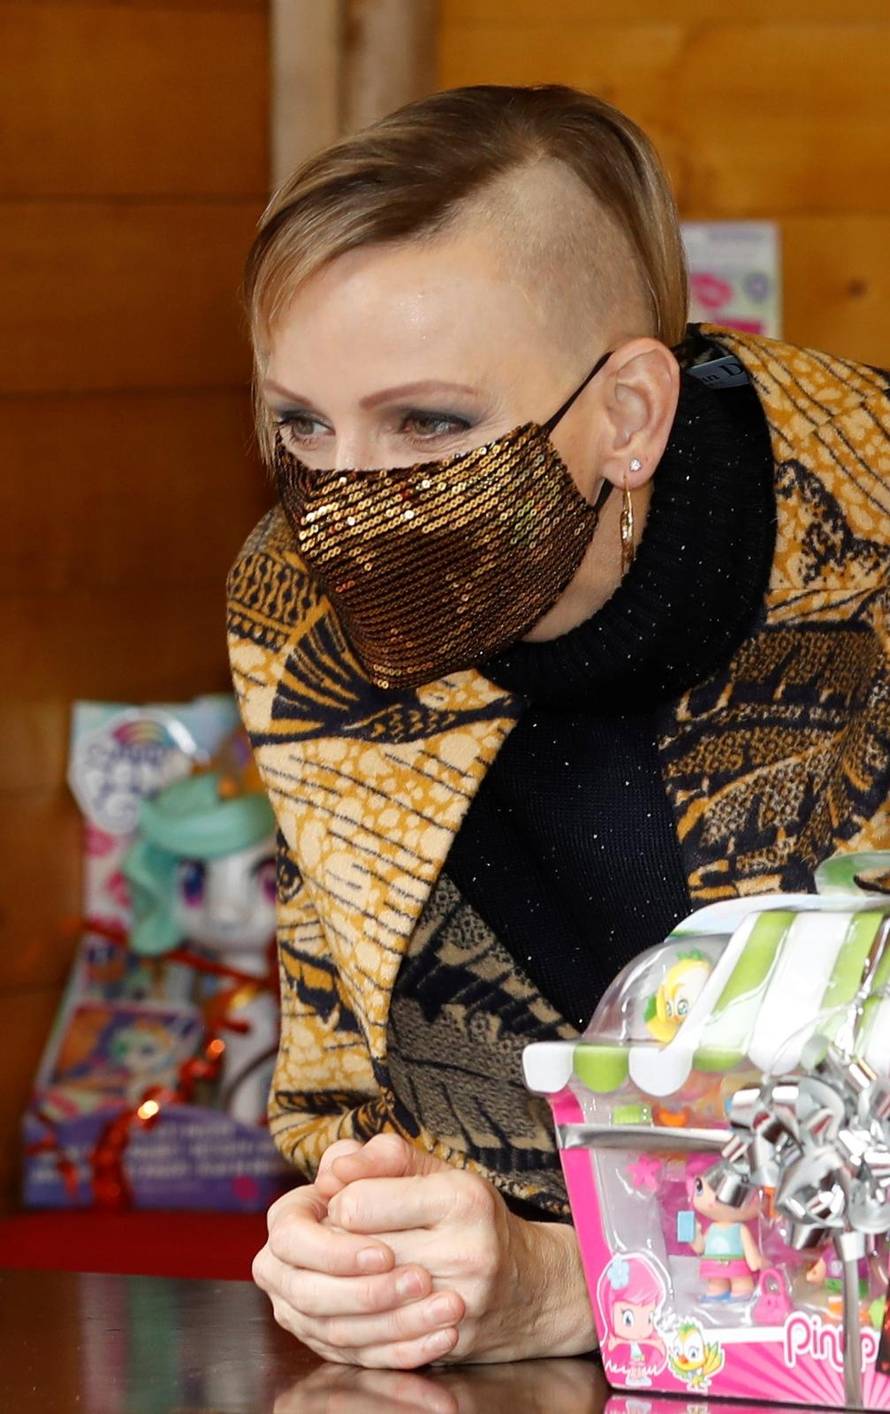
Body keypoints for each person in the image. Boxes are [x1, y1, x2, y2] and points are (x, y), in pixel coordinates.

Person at [226, 84, 890, 1367]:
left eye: (428, 422)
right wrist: (363, 1243)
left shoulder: (859, 552)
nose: (343, 509)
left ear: (626, 414)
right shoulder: (296, 614)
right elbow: (342, 1080)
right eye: (301, 422)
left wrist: (581, 1283)